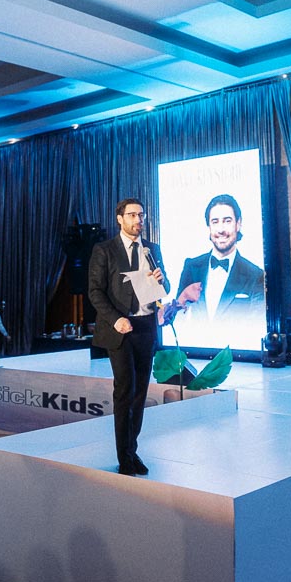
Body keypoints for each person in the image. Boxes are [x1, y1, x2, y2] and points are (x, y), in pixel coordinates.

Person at [88, 197, 169, 476]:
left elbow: (165, 287)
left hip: (146, 327)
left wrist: (161, 281)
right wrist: (116, 319)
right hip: (121, 328)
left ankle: (132, 451)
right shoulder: (105, 250)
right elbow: (95, 292)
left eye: (142, 215)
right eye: (132, 215)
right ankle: (124, 457)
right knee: (125, 392)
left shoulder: (152, 249)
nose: (138, 220)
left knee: (139, 395)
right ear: (119, 218)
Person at [168, 193, 267, 346]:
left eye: (227, 221)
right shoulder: (191, 267)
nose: (221, 229)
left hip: (239, 358)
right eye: (215, 222)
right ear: (209, 226)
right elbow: (178, 317)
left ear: (238, 224)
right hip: (196, 355)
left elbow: (255, 326)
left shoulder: (256, 275)